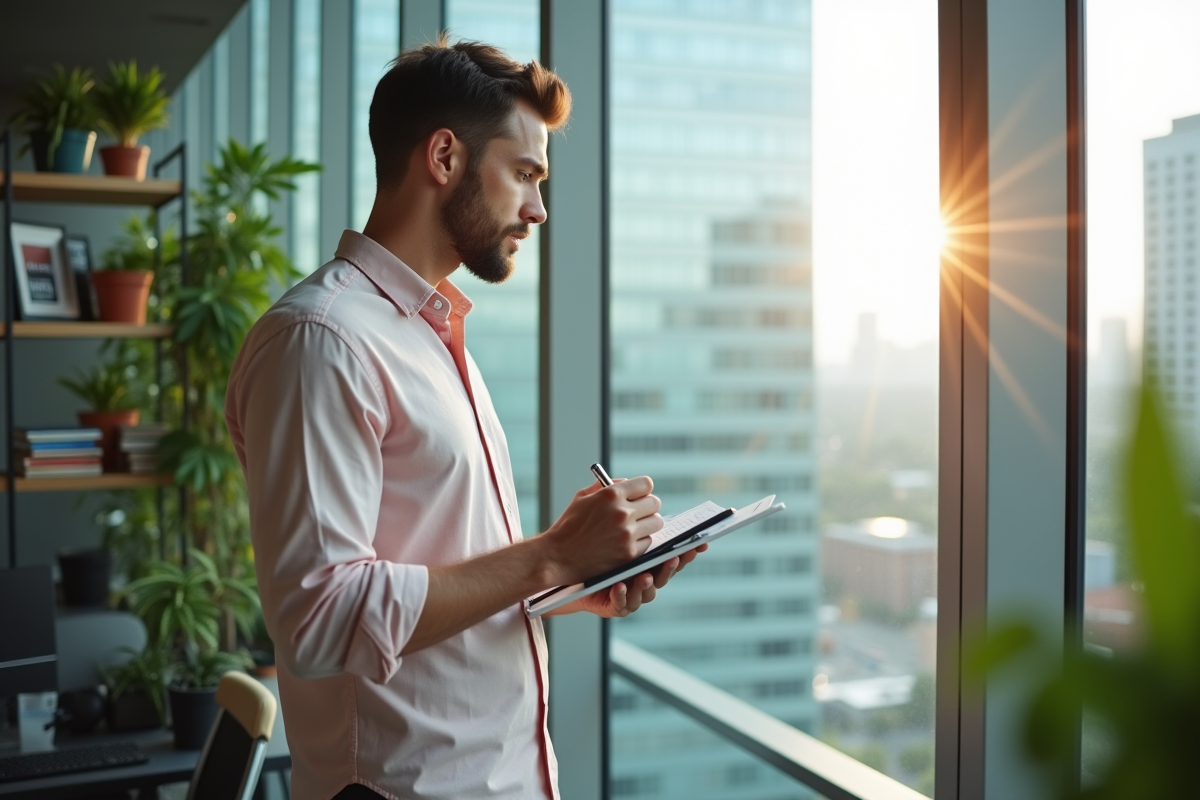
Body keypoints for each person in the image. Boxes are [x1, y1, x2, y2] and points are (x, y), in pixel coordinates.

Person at [225, 39, 703, 800]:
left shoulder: (432, 337)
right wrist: (546, 555)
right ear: (445, 156)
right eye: (524, 174)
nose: (539, 208)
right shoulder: (321, 342)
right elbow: (318, 618)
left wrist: (574, 574)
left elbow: (430, 571)